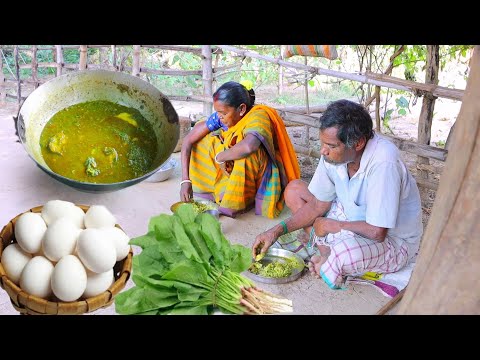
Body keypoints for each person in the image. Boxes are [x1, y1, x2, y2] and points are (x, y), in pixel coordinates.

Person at [252, 99, 423, 289]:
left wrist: (333, 225)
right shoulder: (334, 156)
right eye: (323, 143)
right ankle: (327, 252)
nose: (323, 151)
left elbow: (377, 231)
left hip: (392, 241)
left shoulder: (384, 162)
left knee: (344, 254)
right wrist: (275, 231)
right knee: (294, 192)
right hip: (350, 217)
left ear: (358, 143)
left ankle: (328, 255)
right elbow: (318, 205)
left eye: (332, 146)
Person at [180, 81, 300, 218]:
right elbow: (188, 140)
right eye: (217, 113)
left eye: (223, 113)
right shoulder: (221, 117)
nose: (219, 117)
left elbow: (249, 146)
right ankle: (220, 190)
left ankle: (240, 200)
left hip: (257, 173)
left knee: (245, 155)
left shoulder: (258, 116)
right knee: (204, 141)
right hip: (228, 167)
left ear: (241, 109)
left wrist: (220, 157)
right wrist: (185, 180)